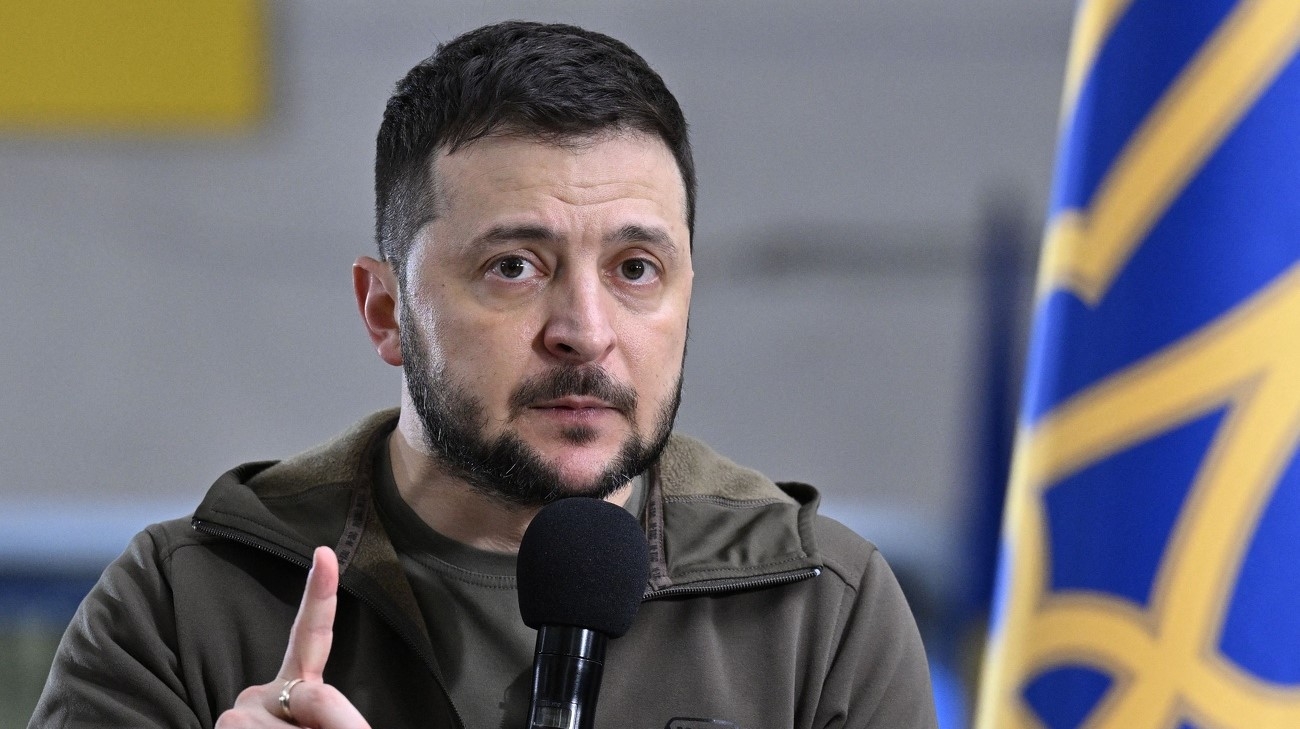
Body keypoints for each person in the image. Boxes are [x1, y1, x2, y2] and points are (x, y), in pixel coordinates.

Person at [30, 20, 937, 729]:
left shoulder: (816, 609)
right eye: (514, 267)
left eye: (635, 269)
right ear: (385, 310)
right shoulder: (185, 605)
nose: (586, 333)